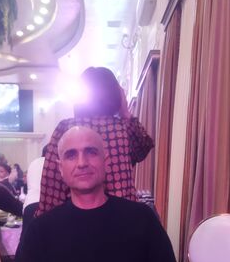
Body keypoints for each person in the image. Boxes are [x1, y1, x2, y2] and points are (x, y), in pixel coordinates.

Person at [8, 126, 184, 262]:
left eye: (91, 152)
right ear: (61, 168)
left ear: (105, 162)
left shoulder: (142, 218)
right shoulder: (40, 229)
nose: (82, 163)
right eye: (71, 155)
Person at [36, 66, 154, 216]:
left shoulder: (66, 128)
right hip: (123, 216)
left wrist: (46, 221)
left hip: (76, 217)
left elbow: (52, 184)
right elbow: (144, 148)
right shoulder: (123, 128)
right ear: (116, 94)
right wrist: (125, 112)